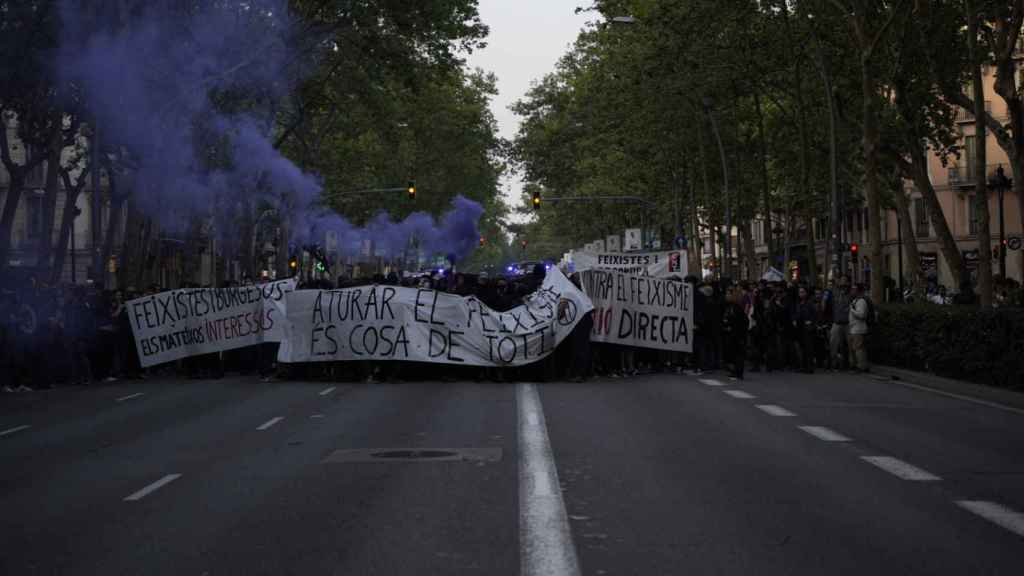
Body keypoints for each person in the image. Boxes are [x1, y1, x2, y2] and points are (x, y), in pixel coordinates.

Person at [829, 277, 851, 371]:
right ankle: (834, 364)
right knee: (833, 344)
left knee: (850, 345)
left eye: (845, 281)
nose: (843, 284)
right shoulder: (835, 293)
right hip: (836, 323)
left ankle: (850, 364)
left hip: (848, 323)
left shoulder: (850, 294)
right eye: (841, 280)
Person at [848, 283, 871, 373]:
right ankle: (861, 365)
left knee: (859, 349)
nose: (852, 291)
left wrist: (852, 310)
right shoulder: (855, 301)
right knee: (857, 348)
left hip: (859, 329)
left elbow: (862, 315)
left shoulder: (861, 301)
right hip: (854, 328)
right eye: (852, 289)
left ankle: (861, 366)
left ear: (858, 291)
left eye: (854, 289)